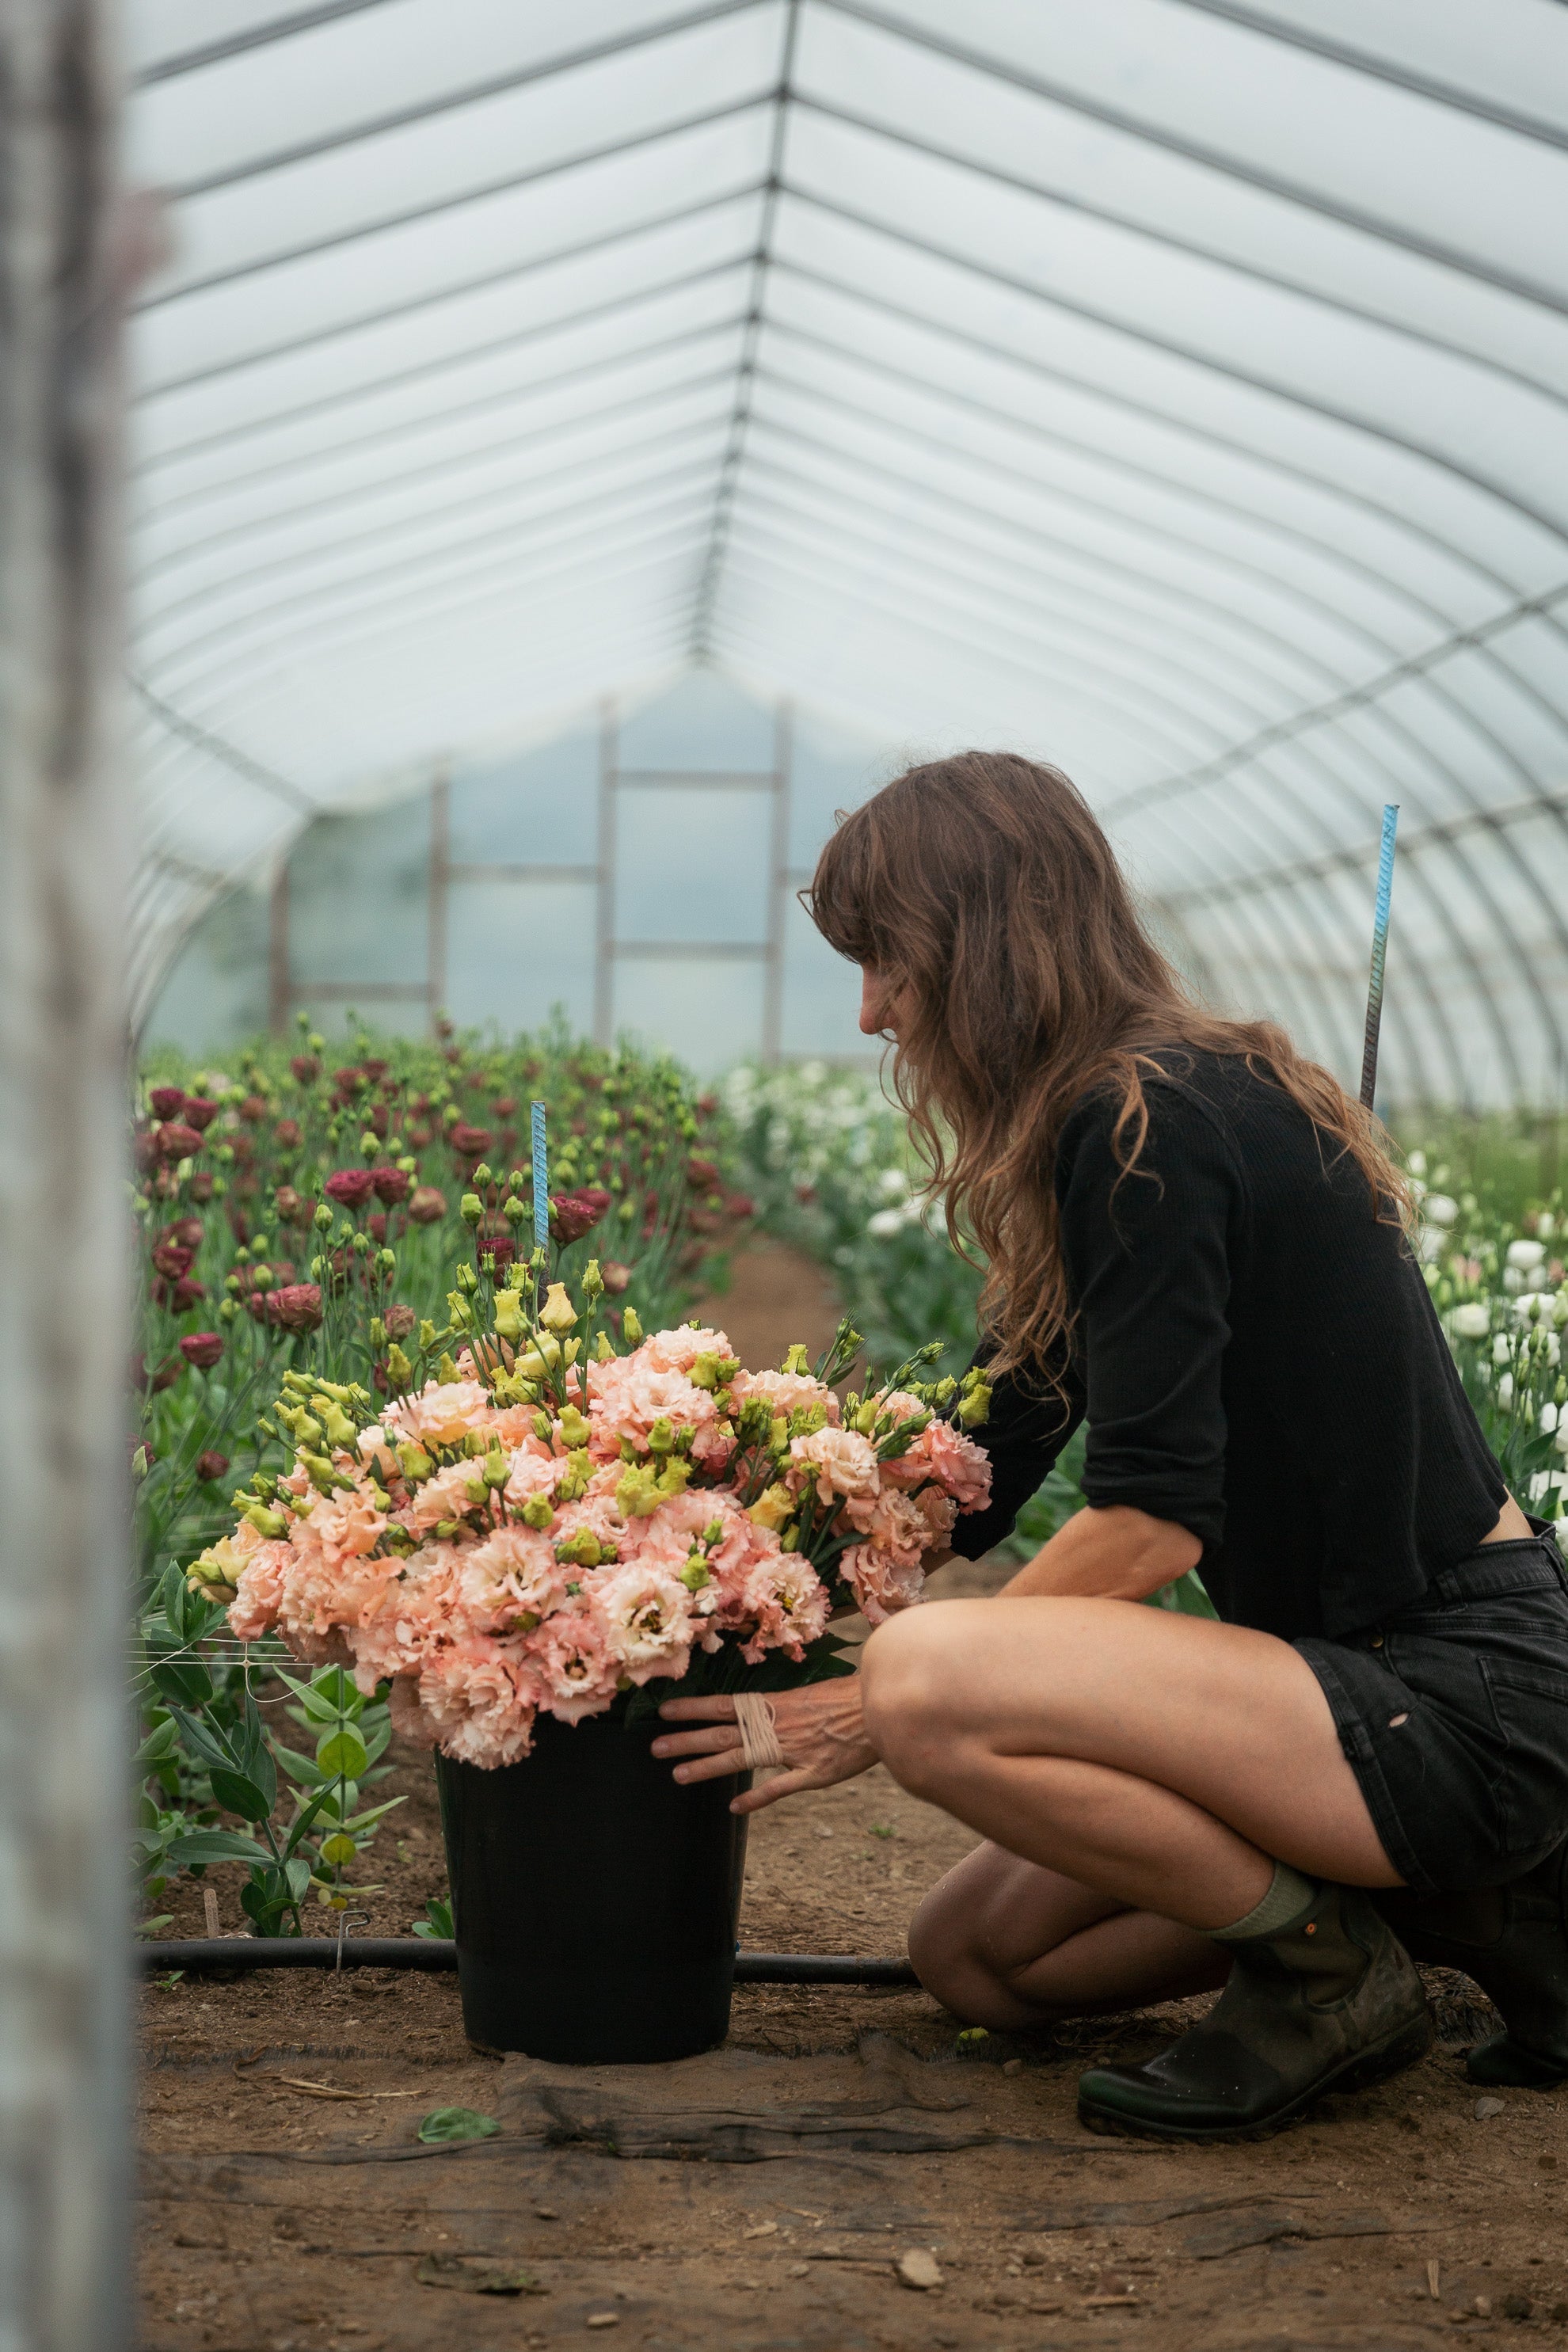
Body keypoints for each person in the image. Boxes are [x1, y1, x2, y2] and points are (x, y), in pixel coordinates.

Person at [653, 751, 1568, 2141]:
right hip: (1335, 1691)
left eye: (888, 963)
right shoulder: (1120, 1111)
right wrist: (667, 1551)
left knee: (925, 1680)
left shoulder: (1150, 1120)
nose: (869, 1013)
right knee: (978, 1964)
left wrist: (876, 1707)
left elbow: (1151, 1526)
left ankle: (1330, 1973)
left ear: (978, 946)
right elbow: (978, 1470)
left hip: (1456, 1691)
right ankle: (1449, 1907)